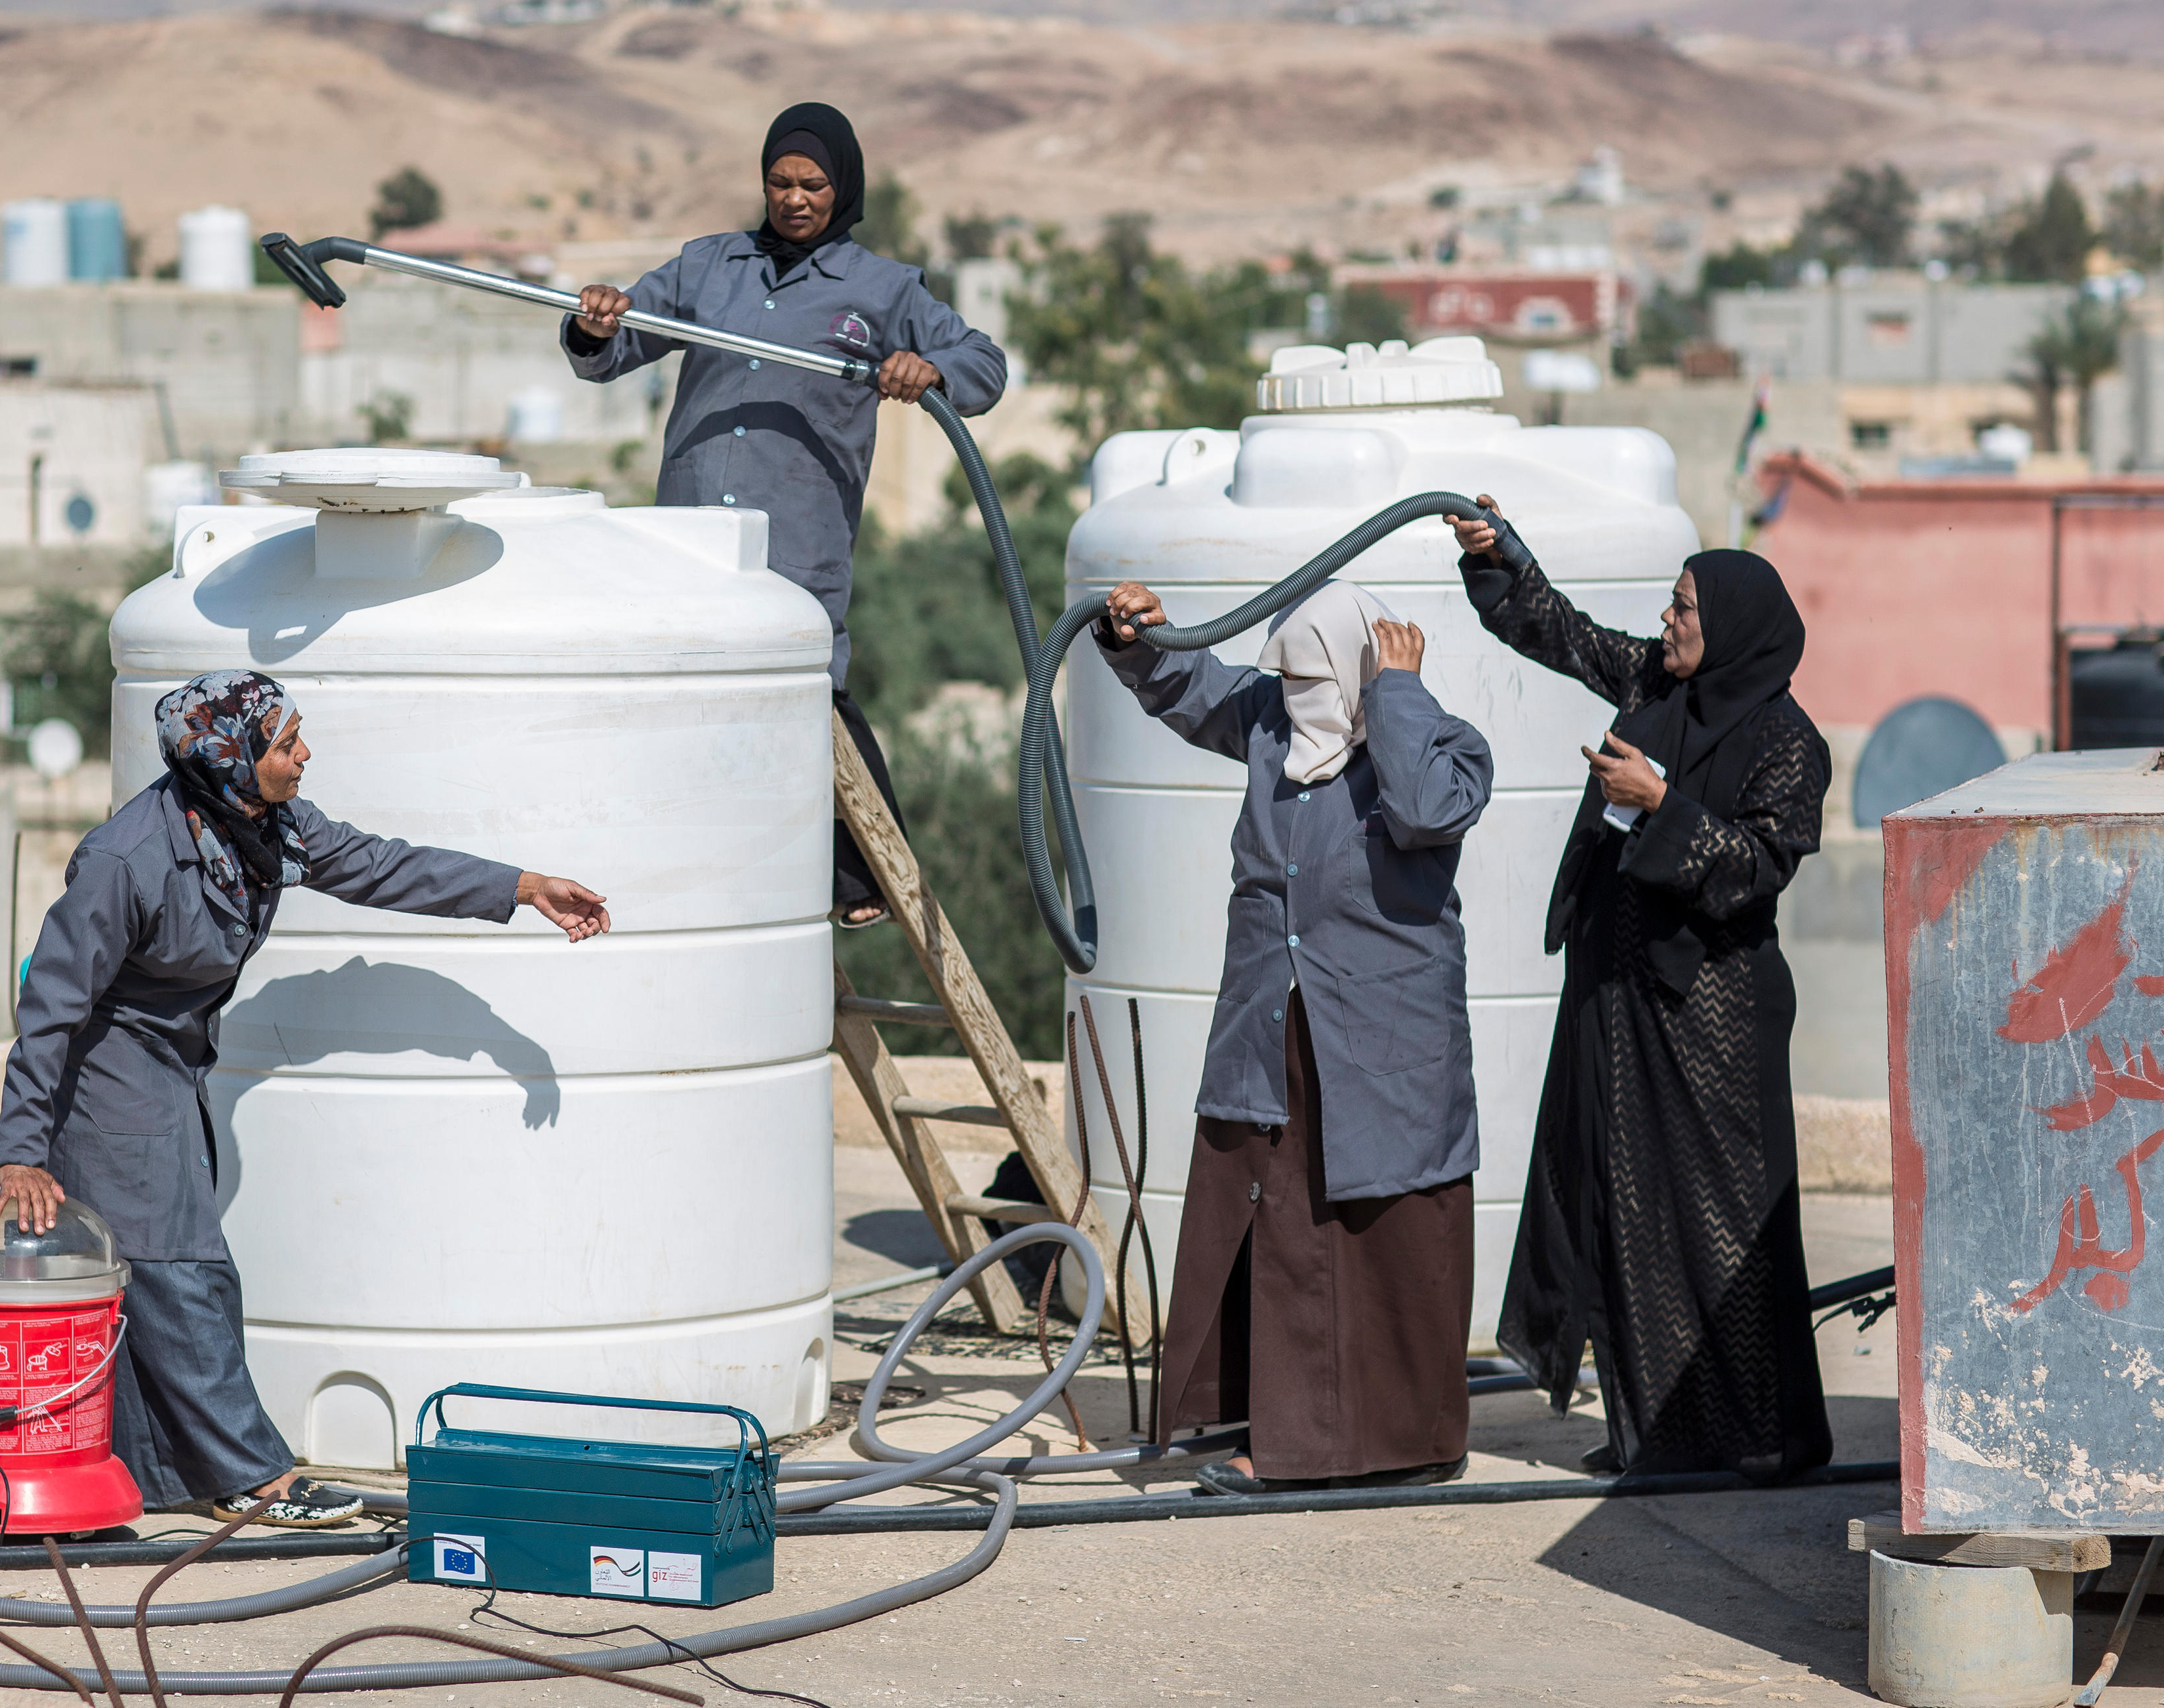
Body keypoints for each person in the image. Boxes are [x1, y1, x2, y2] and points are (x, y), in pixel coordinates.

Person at [0, 670, 611, 1528]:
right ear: (228, 755)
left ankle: (140, 1472)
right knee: (180, 1272)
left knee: (158, 1276)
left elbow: (384, 868)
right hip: (109, 1076)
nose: (304, 755)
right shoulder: (127, 859)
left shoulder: (264, 826)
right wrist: (22, 1147)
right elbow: (52, 1002)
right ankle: (254, 1478)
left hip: (172, 1065)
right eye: (286, 743)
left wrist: (522, 885)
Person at [1448, 498, 1833, 1481]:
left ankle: (1754, 1437)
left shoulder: (1789, 743)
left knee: (1720, 1229)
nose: (1668, 626)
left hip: (1713, 1019)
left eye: (1685, 610)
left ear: (1735, 629)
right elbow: (1565, 635)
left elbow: (1756, 866)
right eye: (1670, 606)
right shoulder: (1657, 686)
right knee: (1623, 1207)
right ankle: (1648, 1433)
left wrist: (1662, 806)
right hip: (1620, 999)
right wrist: (1505, 554)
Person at [563, 101, 1007, 928]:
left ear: (844, 189)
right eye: (779, 182)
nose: (794, 198)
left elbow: (983, 361)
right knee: (686, 685)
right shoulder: (707, 267)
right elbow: (614, 350)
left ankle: (867, 872)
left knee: (808, 687)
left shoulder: (883, 288)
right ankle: (680, 858)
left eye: (812, 184)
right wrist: (595, 323)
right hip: (690, 529)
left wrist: (928, 370)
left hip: (796, 535)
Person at [1094, 579, 1491, 1494]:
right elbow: (1193, 693)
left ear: (1364, 669)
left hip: (1385, 1043)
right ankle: (1281, 1428)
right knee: (1282, 1223)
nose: (1300, 697)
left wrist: (1396, 694)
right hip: (1274, 1020)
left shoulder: (1443, 747)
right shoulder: (1271, 725)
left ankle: (1393, 1442)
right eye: (1290, 676)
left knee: (1387, 1232)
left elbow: (1427, 813)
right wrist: (1142, 639)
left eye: (1324, 679)